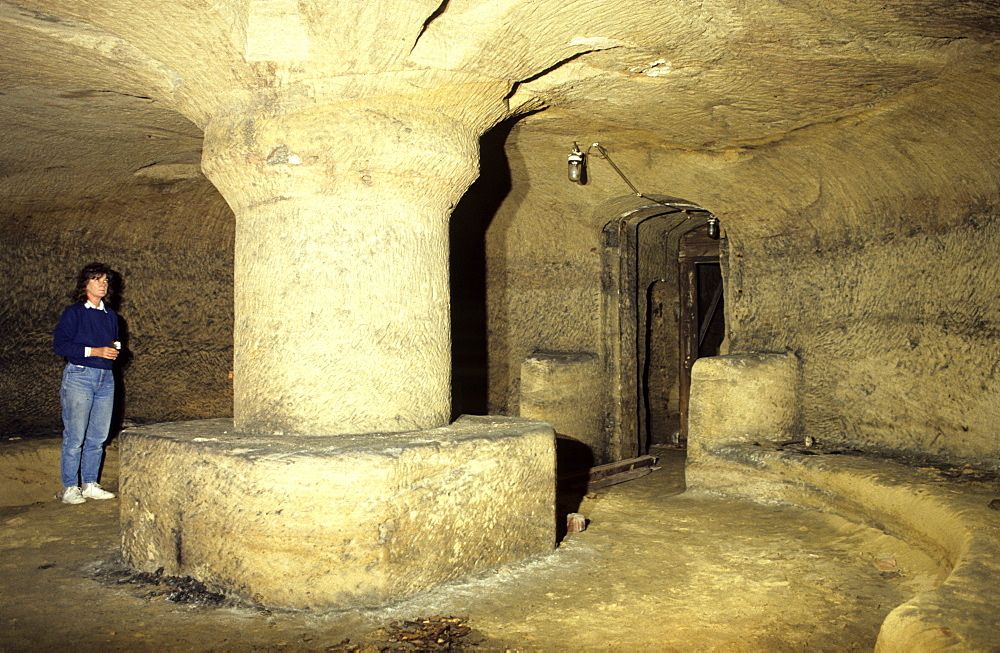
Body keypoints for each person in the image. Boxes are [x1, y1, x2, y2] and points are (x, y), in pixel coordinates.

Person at [53, 262, 121, 504]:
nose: (102, 285)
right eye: (97, 280)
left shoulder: (111, 315)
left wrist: (115, 352)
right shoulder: (74, 313)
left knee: (98, 436)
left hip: (105, 379)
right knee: (75, 436)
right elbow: (60, 345)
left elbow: (111, 344)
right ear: (85, 285)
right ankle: (70, 487)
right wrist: (95, 351)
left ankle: (90, 483)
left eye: (105, 281)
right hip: (80, 376)